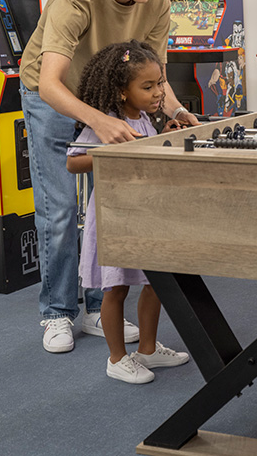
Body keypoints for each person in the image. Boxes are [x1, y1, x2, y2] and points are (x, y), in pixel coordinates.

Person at [20, 0, 201, 354]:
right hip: (53, 99)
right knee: (60, 209)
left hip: (106, 99)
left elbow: (153, 70)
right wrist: (100, 123)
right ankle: (58, 313)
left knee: (109, 210)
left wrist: (174, 109)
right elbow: (50, 84)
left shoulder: (156, 2)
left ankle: (99, 309)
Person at [66, 40, 191, 383]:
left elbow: (146, 151)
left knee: (156, 282)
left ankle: (148, 350)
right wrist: (116, 151)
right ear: (122, 91)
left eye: (160, 84)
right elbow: (73, 162)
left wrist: (162, 137)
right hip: (114, 217)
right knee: (115, 288)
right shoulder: (107, 123)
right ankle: (117, 358)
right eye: (147, 86)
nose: (157, 93)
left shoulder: (147, 120)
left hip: (145, 215)